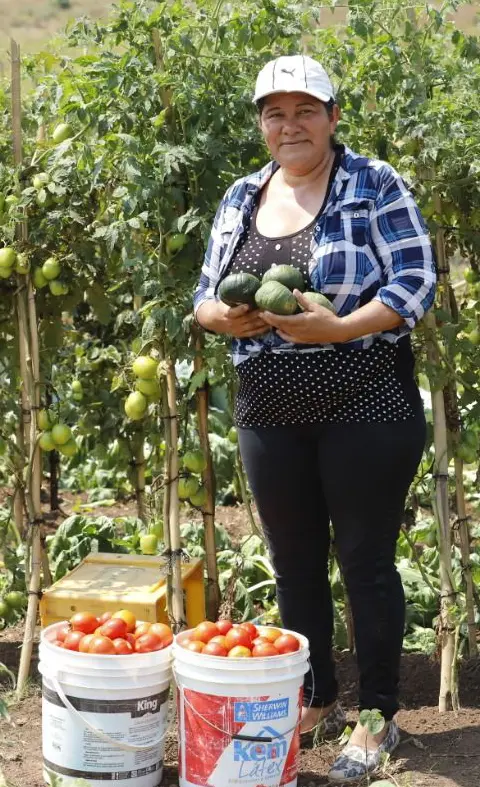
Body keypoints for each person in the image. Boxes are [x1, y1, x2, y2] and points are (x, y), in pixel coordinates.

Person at [194, 54, 436, 783]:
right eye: (276, 113)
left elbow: (415, 280)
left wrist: (340, 328)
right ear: (262, 125)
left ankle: (378, 714)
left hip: (366, 395)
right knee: (293, 560)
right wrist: (221, 318)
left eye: (306, 110)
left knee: (365, 559)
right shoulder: (242, 195)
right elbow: (204, 294)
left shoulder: (374, 182)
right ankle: (316, 695)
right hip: (268, 403)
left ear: (333, 117)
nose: (290, 125)